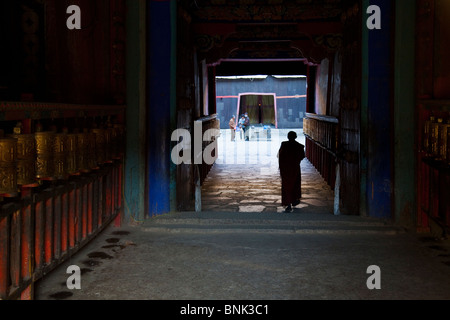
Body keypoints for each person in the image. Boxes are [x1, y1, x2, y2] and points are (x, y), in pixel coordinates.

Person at [278, 131, 305, 212]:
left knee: (286, 186)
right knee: (295, 185)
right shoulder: (299, 146)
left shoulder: (284, 144)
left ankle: (288, 203)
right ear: (296, 137)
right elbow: (302, 156)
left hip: (285, 170)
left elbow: (280, 156)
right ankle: (294, 200)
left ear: (288, 137)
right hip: (295, 168)